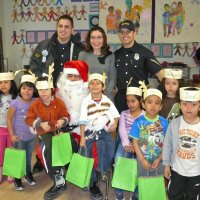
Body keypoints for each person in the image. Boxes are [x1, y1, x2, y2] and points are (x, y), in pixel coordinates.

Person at [25, 75, 70, 200]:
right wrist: (40, 123)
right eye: (40, 90)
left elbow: (66, 115)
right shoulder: (35, 104)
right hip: (44, 132)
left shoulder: (59, 102)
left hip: (58, 131)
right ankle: (57, 175)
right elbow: (29, 119)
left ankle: (60, 175)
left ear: (51, 90)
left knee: (65, 146)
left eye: (46, 90)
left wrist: (62, 121)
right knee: (47, 149)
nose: (43, 93)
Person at [79, 73, 120, 200]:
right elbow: (82, 121)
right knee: (86, 152)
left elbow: (116, 115)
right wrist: (82, 137)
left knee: (110, 147)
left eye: (98, 83)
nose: (95, 85)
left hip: (103, 131)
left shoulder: (107, 101)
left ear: (103, 87)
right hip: (89, 131)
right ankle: (91, 182)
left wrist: (115, 125)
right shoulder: (86, 102)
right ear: (88, 87)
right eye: (92, 83)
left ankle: (103, 170)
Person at [114, 20, 164, 113]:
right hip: (121, 100)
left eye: (128, 32)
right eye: (122, 32)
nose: (125, 35)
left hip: (140, 100)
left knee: (142, 127)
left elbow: (161, 75)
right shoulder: (116, 55)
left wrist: (164, 96)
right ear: (119, 34)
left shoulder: (145, 53)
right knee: (122, 127)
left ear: (134, 33)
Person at [163, 87, 200, 200]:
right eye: (185, 104)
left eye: (193, 105)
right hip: (177, 170)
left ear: (199, 106)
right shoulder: (174, 123)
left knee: (192, 197)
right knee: (174, 195)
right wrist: (166, 164)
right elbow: (167, 144)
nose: (189, 108)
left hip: (196, 172)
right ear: (180, 105)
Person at [30, 14, 83, 87]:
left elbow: (84, 73)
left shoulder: (79, 49)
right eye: (60, 26)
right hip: (48, 92)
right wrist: (42, 86)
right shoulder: (43, 46)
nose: (63, 29)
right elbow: (34, 68)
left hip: (70, 92)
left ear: (72, 30)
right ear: (57, 28)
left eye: (67, 27)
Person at [7, 74, 37, 191]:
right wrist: (11, 135)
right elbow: (9, 119)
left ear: (34, 90)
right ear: (20, 89)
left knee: (28, 156)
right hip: (18, 136)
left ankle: (28, 173)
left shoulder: (35, 101)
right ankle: (17, 178)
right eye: (24, 88)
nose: (27, 91)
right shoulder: (15, 103)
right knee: (18, 157)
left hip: (30, 136)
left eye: (30, 89)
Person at [114, 86, 145, 200]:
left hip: (141, 143)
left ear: (140, 101)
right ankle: (118, 190)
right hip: (125, 141)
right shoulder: (124, 113)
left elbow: (144, 133)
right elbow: (121, 130)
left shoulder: (145, 116)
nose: (130, 104)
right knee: (118, 159)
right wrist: (127, 144)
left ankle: (136, 192)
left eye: (133, 101)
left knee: (140, 164)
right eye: (128, 101)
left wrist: (136, 145)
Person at [130, 89, 168, 177]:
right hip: (141, 158)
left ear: (161, 106)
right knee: (143, 182)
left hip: (159, 160)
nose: (153, 106)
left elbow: (167, 143)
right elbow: (135, 142)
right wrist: (142, 159)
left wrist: (159, 158)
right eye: (149, 102)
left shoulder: (165, 122)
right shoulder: (138, 122)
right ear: (143, 104)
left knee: (157, 183)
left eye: (157, 103)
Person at [78, 26, 116, 101]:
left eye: (99, 37)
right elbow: (80, 78)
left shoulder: (110, 55)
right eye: (93, 37)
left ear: (104, 39)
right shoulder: (83, 54)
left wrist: (105, 94)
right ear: (89, 39)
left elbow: (112, 77)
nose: (96, 40)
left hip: (106, 97)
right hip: (88, 98)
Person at [56, 60, 89, 145]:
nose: (73, 79)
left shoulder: (89, 93)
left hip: (85, 129)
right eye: (70, 76)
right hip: (63, 128)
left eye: (76, 76)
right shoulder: (58, 93)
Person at [0, 72, 18, 184]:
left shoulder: (16, 97)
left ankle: (11, 170)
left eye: (6, 82)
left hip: (13, 129)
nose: (3, 85)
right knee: (0, 151)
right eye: (0, 83)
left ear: (12, 84)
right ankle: (0, 169)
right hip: (0, 129)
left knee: (12, 150)